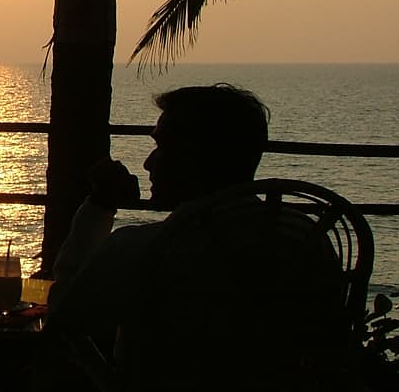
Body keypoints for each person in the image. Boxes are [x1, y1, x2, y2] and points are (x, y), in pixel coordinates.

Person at [48, 83, 271, 341]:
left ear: (196, 159)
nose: (148, 162)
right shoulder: (301, 238)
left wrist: (99, 206)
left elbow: (65, 318)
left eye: (164, 148)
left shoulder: (141, 249)